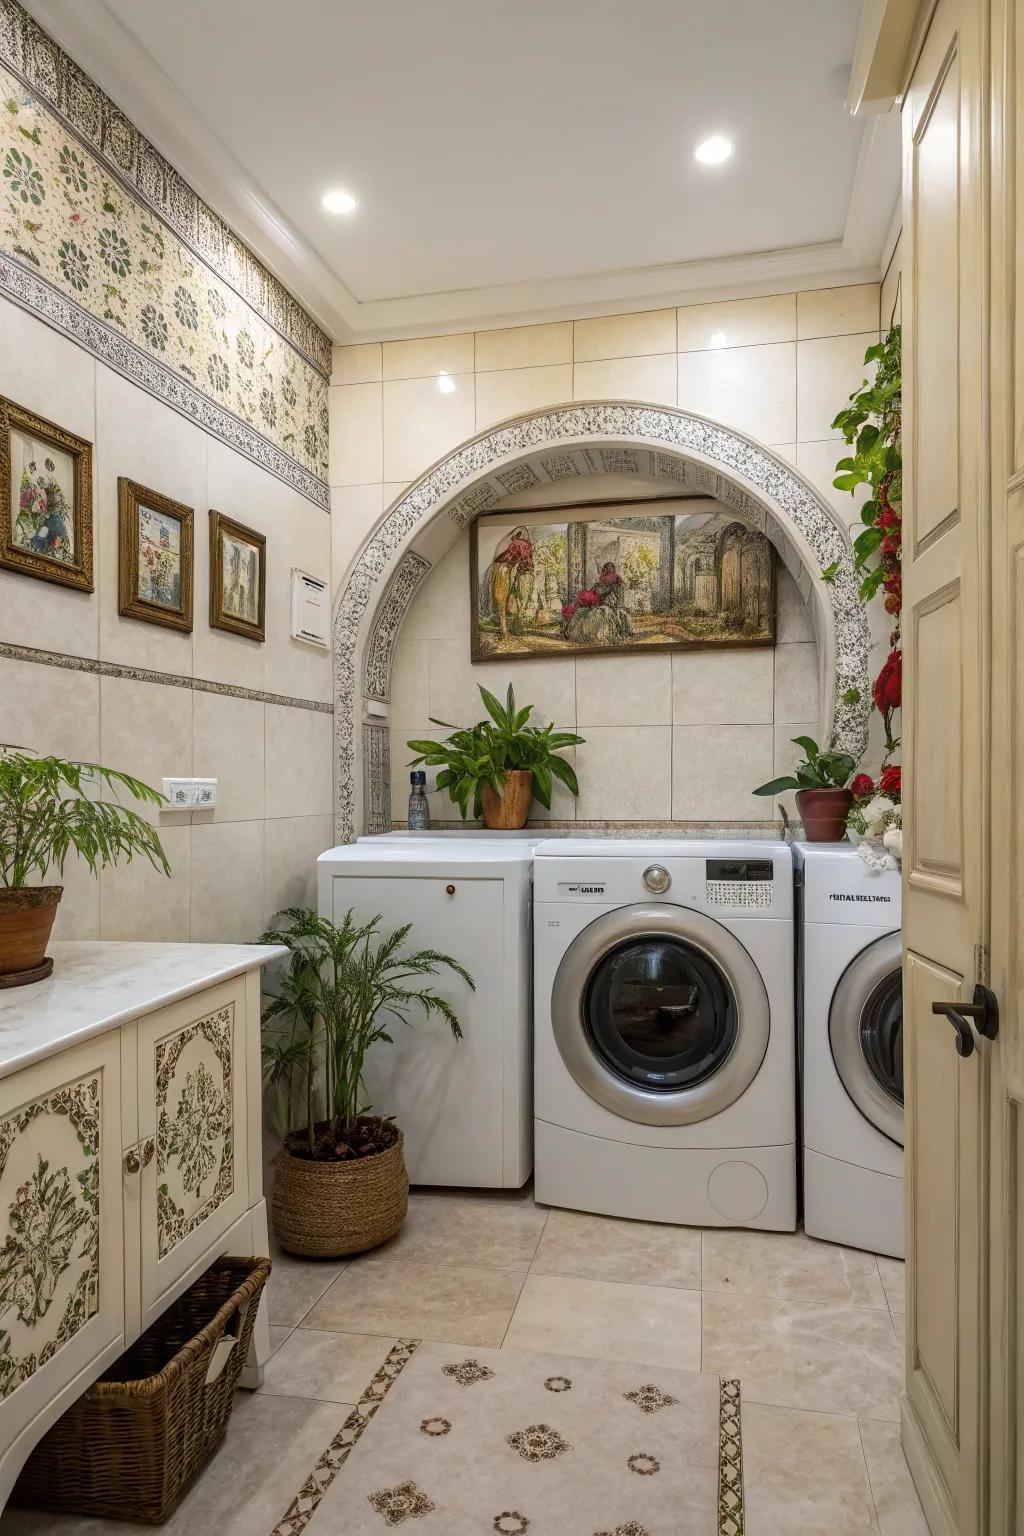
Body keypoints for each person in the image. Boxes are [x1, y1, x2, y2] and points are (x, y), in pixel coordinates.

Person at [489, 526, 534, 641]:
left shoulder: (515, 545)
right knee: (502, 602)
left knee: (502, 603)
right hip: (503, 572)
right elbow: (523, 563)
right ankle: (504, 631)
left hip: (504, 570)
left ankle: (504, 630)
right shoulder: (521, 545)